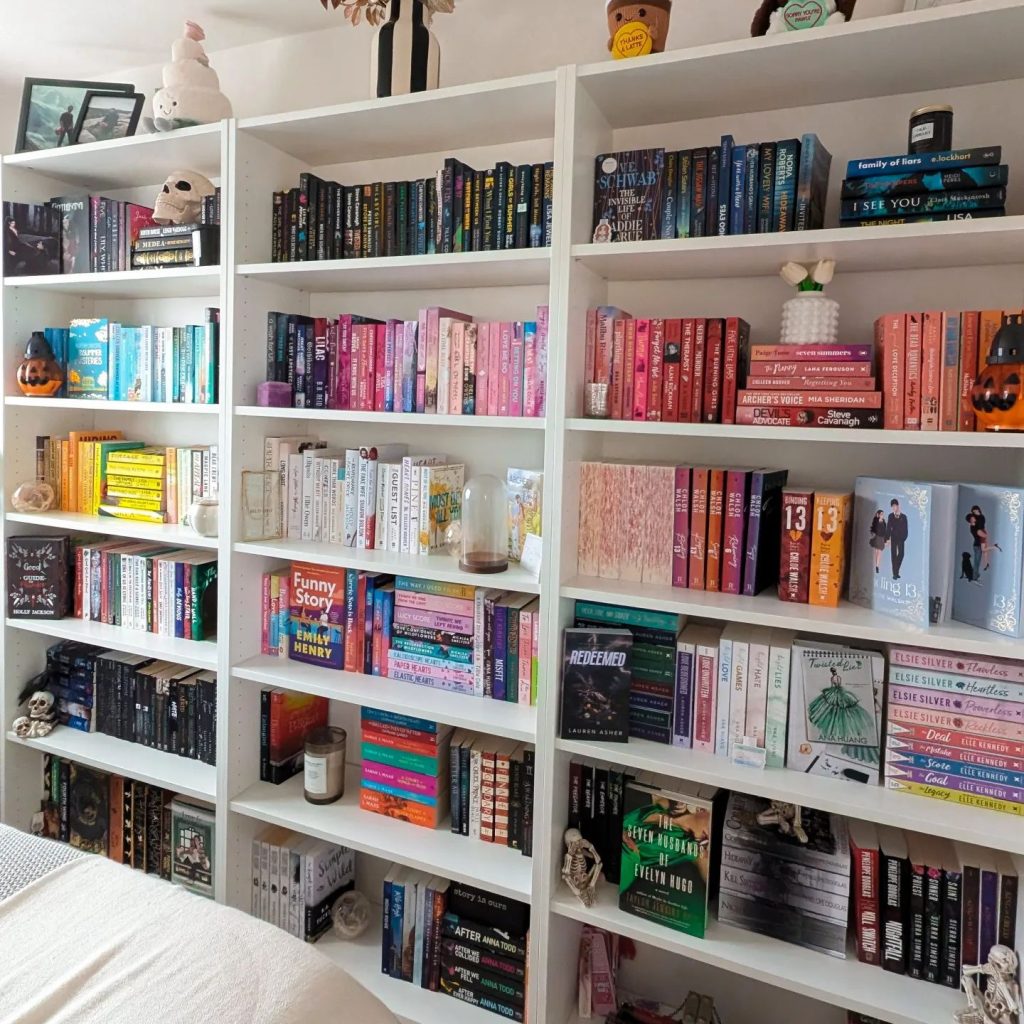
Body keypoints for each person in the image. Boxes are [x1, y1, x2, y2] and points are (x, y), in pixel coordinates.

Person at [887, 498, 908, 580]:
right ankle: (895, 574)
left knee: (901, 554)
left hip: (901, 538)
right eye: (892, 506)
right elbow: (888, 528)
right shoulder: (890, 516)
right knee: (893, 555)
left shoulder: (904, 517)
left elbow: (905, 528)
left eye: (895, 506)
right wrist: (887, 538)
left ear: (898, 506)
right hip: (893, 538)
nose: (893, 507)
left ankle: (896, 571)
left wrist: (904, 538)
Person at [869, 508, 886, 574]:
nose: (882, 515)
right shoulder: (876, 521)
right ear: (878, 515)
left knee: (879, 553)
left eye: (883, 514)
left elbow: (884, 530)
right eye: (881, 514)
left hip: (881, 538)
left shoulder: (883, 521)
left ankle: (877, 565)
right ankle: (876, 565)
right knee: (877, 552)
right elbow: (875, 529)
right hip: (877, 537)